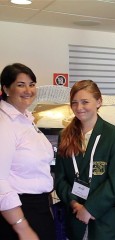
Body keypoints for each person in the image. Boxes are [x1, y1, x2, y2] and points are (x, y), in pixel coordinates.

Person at [55, 80, 115, 240]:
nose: (79, 108)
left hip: (105, 222)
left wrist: (89, 209)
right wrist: (74, 203)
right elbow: (60, 179)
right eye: (74, 103)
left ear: (99, 102)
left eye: (85, 102)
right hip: (75, 218)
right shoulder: (64, 136)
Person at [0, 63, 55, 240]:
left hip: (38, 208)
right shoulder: (4, 123)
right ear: (6, 88)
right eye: (20, 84)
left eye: (31, 84)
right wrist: (22, 227)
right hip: (19, 211)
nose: (28, 90)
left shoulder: (25, 118)